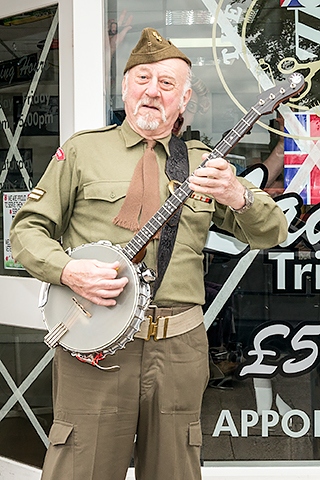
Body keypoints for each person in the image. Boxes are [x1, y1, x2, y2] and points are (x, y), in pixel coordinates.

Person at [10, 27, 288, 480]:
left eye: (166, 83)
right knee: (81, 466)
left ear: (184, 98)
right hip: (94, 341)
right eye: (142, 78)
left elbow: (273, 232)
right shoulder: (83, 151)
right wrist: (69, 271)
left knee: (175, 468)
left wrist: (239, 194)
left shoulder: (203, 162)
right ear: (125, 87)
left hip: (179, 347)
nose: (152, 91)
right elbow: (27, 231)